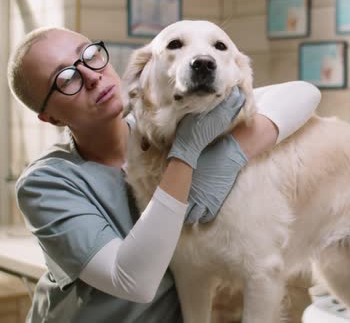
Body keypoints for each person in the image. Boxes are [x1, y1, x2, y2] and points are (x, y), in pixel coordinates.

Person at [7, 26, 321, 322]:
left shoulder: (163, 129)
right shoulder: (46, 184)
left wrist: (229, 155)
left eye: (88, 55)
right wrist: (185, 155)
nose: (91, 76)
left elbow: (303, 93)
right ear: (49, 117)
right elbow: (133, 281)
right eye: (65, 78)